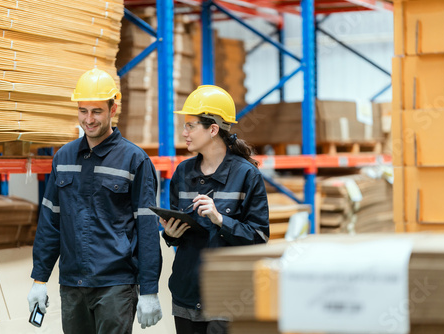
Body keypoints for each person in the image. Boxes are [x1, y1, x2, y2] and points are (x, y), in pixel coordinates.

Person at [27, 68, 163, 333]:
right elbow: (49, 223)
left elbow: (147, 229)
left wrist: (149, 290)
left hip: (115, 285)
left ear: (113, 110)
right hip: (72, 285)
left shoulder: (134, 160)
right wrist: (39, 279)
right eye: (83, 111)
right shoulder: (63, 158)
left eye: (97, 111)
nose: (88, 119)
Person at [160, 85, 270, 334]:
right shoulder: (183, 173)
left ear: (212, 129)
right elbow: (178, 234)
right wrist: (171, 234)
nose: (184, 132)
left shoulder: (246, 175)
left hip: (227, 298)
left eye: (190, 125)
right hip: (186, 294)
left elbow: (259, 238)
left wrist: (220, 219)